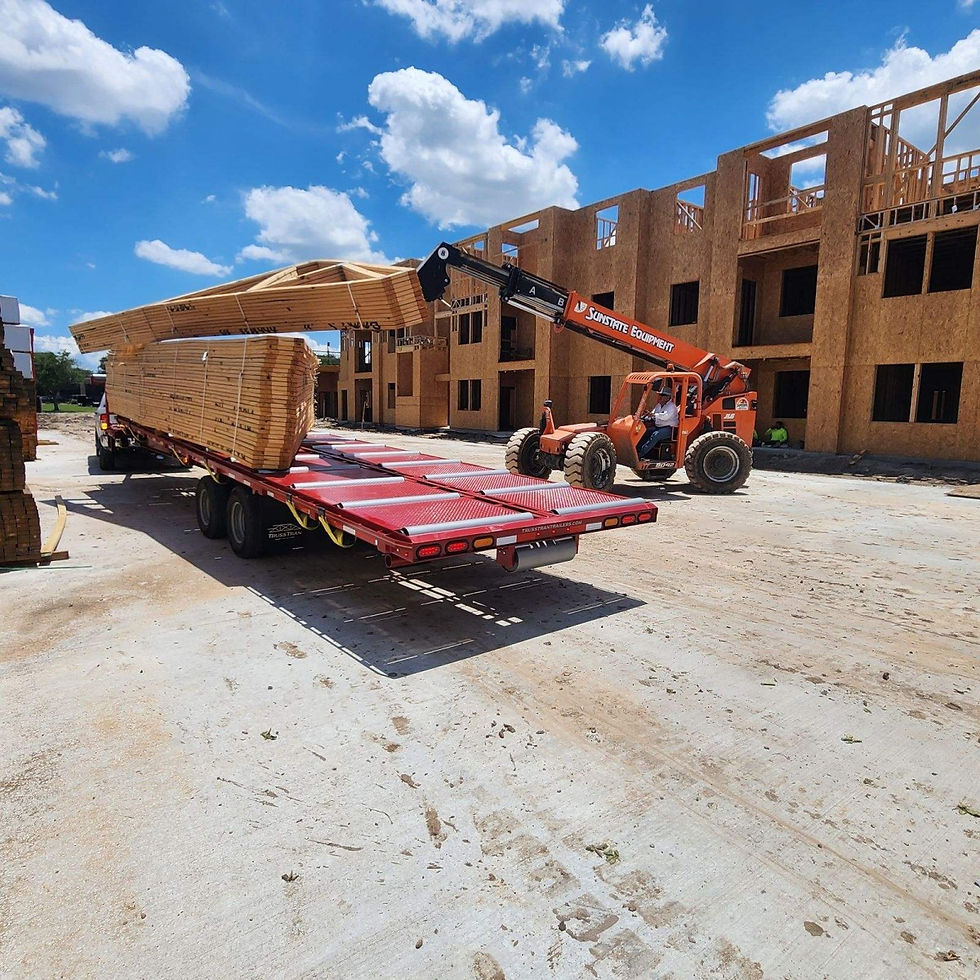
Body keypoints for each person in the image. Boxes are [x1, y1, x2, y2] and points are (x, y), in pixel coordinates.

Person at [637, 386, 680, 459]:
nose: (660, 397)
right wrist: (646, 416)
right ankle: (637, 450)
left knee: (655, 435)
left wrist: (653, 415)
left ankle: (641, 453)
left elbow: (665, 416)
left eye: (662, 395)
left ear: (668, 397)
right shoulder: (658, 405)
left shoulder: (671, 407)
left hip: (668, 429)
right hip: (658, 427)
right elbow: (653, 414)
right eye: (660, 395)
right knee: (644, 432)